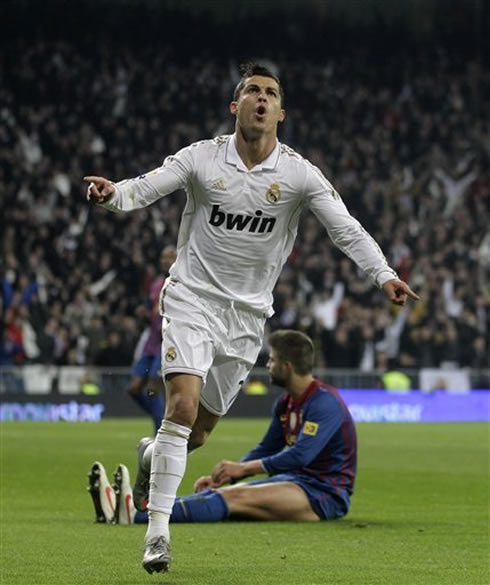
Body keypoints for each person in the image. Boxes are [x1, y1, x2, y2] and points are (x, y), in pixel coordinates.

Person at [83, 62, 418, 574]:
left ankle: (153, 456)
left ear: (281, 112)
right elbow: (144, 187)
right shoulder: (201, 158)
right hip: (192, 297)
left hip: (246, 317)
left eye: (270, 93)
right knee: (180, 406)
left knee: (198, 432)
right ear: (234, 106)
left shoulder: (298, 174)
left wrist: (384, 275)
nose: (261, 99)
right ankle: (156, 535)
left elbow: (346, 229)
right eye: (252, 91)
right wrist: (113, 195)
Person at [88, 330, 357, 531]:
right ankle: (134, 509)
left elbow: (301, 455)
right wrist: (226, 475)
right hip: (298, 484)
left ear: (287, 366)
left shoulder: (324, 403)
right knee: (219, 494)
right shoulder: (285, 403)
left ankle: (133, 514)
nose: (268, 365)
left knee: (233, 498)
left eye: (272, 360)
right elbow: (267, 448)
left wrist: (242, 471)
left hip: (325, 494)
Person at [127, 245, 177, 434]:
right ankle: (161, 420)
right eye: (163, 257)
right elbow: (152, 314)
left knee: (153, 388)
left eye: (169, 257)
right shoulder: (157, 284)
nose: (165, 260)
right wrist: (144, 314)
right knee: (134, 389)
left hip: (167, 343)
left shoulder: (183, 284)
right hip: (151, 343)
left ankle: (160, 433)